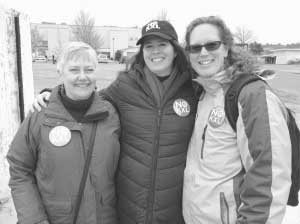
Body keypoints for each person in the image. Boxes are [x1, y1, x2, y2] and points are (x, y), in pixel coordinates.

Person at [30, 20, 199, 224]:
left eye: (162, 44)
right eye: (149, 46)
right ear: (142, 51)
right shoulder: (126, 84)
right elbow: (88, 99)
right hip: (129, 208)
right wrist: (53, 94)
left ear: (175, 49)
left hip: (175, 208)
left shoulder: (194, 88)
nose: (156, 51)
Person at [182, 16, 292, 224]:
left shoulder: (251, 95)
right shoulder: (204, 93)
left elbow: (270, 179)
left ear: (226, 48)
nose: (203, 53)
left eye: (212, 45)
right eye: (195, 48)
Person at [7, 42, 120, 224]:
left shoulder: (111, 114)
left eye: (89, 70)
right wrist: (34, 220)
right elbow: (20, 169)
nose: (82, 77)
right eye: (74, 70)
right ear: (60, 72)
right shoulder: (40, 115)